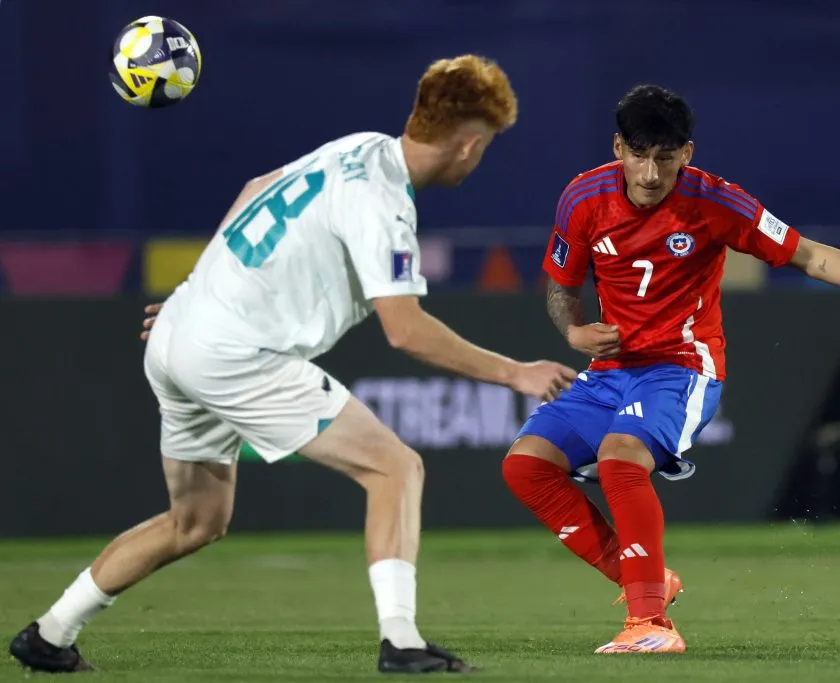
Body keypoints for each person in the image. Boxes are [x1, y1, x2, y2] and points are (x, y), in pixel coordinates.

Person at [9, 54, 576, 675]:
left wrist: (199, 288)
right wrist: (516, 372)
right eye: (487, 144)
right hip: (238, 355)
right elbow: (406, 331)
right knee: (396, 469)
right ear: (469, 145)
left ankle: (49, 634)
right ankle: (402, 642)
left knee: (195, 520)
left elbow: (257, 190)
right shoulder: (383, 204)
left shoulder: (360, 147)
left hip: (180, 334)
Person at [501, 84, 840, 655]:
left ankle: (651, 625)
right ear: (618, 147)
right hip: (611, 372)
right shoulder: (582, 197)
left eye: (665, 157)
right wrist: (572, 331)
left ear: (687, 154)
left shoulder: (717, 202)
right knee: (525, 468)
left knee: (621, 459)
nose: (650, 173)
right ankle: (641, 581)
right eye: (639, 154)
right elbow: (561, 282)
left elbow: (809, 254)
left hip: (682, 368)